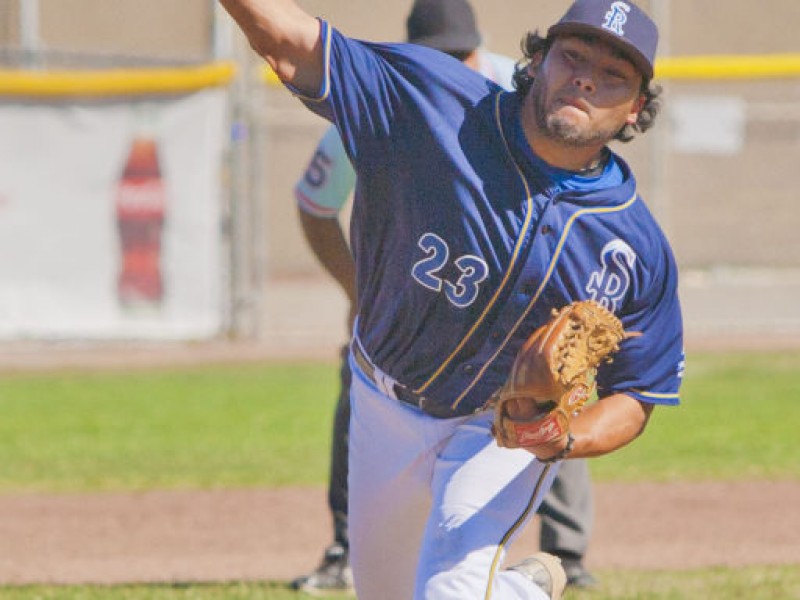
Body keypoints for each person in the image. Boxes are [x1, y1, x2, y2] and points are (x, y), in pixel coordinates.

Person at [219, 0, 684, 598]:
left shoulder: (633, 246)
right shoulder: (429, 101)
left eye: (614, 75)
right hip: (381, 396)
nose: (587, 77)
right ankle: (524, 591)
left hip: (495, 429)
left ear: (635, 109)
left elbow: (639, 394)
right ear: (538, 60)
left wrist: (557, 438)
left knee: (450, 592)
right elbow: (284, 39)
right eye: (572, 56)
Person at [291, 0, 597, 593]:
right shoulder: (390, 99)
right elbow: (314, 204)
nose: (451, 67)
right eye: (438, 58)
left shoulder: (524, 91)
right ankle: (346, 547)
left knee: (552, 385)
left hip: (518, 299)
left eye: (460, 56)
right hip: (417, 302)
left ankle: (568, 551)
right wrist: (359, 288)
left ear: (479, 49)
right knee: (360, 388)